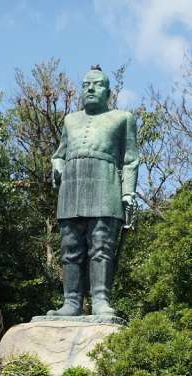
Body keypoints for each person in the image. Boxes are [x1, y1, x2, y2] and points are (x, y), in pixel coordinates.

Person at [47, 65, 139, 317]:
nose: (90, 88)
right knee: (70, 246)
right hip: (72, 187)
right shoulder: (70, 120)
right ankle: (71, 302)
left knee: (101, 245)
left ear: (108, 91)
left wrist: (128, 193)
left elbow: (130, 160)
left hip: (105, 184)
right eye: (86, 84)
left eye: (97, 84)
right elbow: (59, 155)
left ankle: (100, 300)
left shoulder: (122, 118)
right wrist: (57, 166)